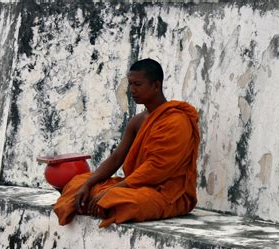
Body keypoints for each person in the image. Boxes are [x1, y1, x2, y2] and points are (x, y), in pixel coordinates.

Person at [53, 58, 200, 228]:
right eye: (130, 84)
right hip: (133, 184)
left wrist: (114, 190)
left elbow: (157, 167)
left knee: (125, 202)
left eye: (138, 84)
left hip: (167, 193)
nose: (132, 90)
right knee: (77, 184)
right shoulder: (137, 121)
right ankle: (98, 199)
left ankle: (103, 201)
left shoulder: (176, 120)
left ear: (156, 86)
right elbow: (116, 158)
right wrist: (88, 184)